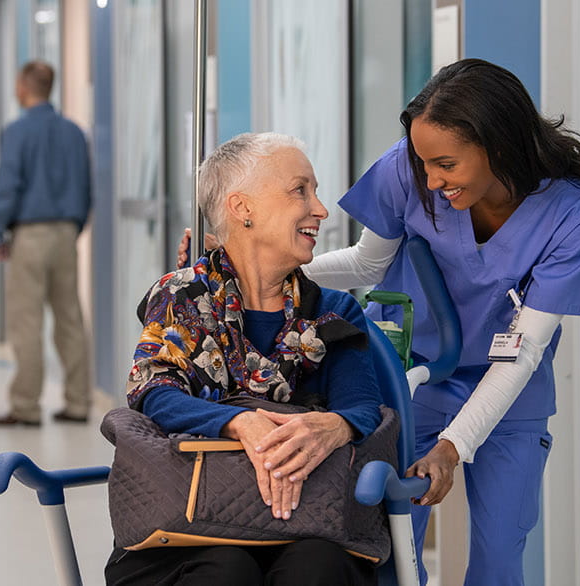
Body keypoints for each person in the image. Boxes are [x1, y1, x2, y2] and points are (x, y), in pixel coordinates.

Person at [176, 59, 580, 585]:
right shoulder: (408, 168)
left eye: (446, 165)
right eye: (423, 164)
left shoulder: (574, 213)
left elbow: (522, 350)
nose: (430, 180)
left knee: (499, 558)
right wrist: (246, 261)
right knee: (394, 555)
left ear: (497, 145)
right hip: (413, 379)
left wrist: (453, 447)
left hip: (509, 392)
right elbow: (367, 263)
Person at [108, 133, 382, 585]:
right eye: (300, 190)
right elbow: (153, 390)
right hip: (188, 522)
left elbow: (361, 407)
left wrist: (335, 426)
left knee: (315, 569)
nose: (321, 209)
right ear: (242, 208)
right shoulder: (182, 296)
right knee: (224, 572)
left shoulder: (335, 312)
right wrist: (241, 422)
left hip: (306, 522)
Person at [0, 61, 94, 427]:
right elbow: (85, 188)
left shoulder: (17, 132)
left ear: (23, 86)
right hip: (65, 233)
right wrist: (73, 227)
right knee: (70, 317)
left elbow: (8, 186)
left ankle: (26, 406)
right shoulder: (74, 133)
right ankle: (79, 402)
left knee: (26, 320)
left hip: (29, 235)